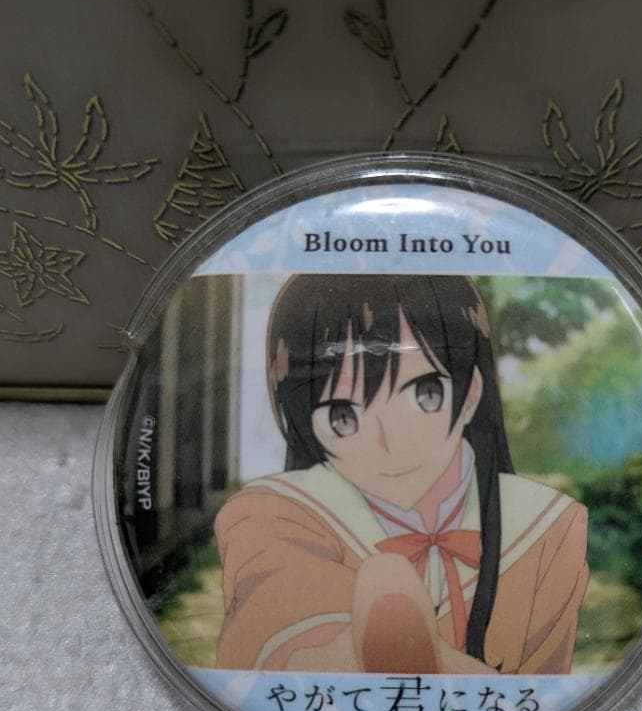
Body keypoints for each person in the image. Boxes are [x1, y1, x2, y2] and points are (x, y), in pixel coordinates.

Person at [214, 274, 589, 675]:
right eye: (342, 416)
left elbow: (544, 694)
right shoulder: (272, 513)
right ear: (305, 422)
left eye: (425, 394)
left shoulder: (548, 525)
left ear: (471, 393)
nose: (389, 444)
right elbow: (278, 617)